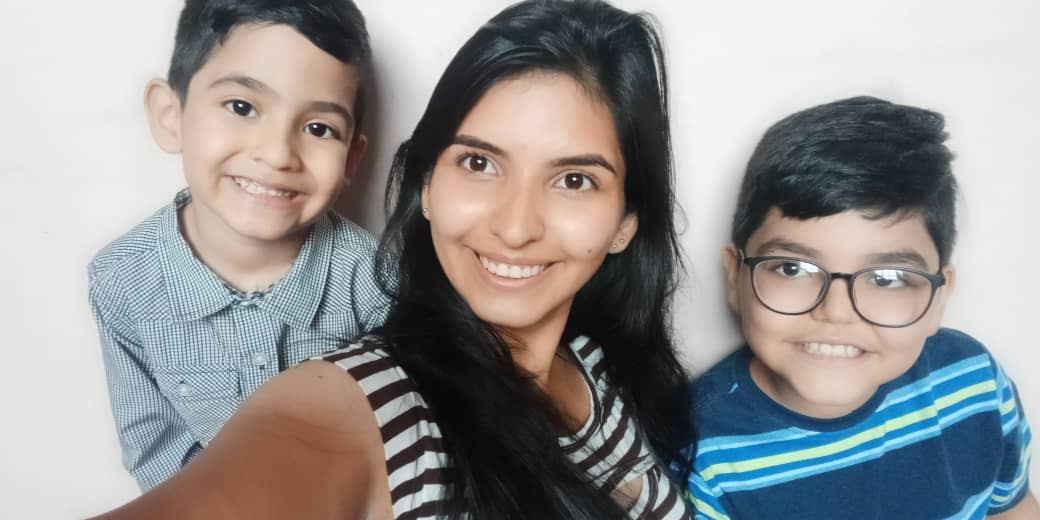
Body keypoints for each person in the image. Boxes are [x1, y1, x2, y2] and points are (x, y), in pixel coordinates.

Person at [91, 0, 695, 518]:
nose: (515, 228)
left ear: (626, 222)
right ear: (425, 186)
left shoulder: (599, 362)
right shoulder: (377, 403)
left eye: (574, 180)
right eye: (479, 163)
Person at [684, 96, 1038, 519]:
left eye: (887, 278)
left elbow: (1011, 510)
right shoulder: (701, 455)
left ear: (939, 298)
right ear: (734, 278)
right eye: (793, 269)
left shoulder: (972, 383)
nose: (836, 312)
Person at [87, 0, 389, 490]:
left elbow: (405, 430)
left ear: (352, 159)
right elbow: (156, 444)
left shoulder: (373, 278)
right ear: (170, 115)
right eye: (242, 107)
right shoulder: (121, 280)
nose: (277, 154)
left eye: (319, 128)